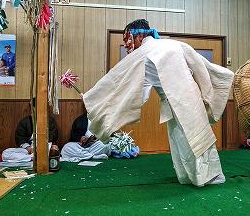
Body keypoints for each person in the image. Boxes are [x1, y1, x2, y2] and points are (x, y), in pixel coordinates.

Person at [84, 19, 234, 187]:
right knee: (191, 139)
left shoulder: (143, 54)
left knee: (186, 140)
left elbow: (115, 81)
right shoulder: (173, 44)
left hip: (182, 99)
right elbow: (201, 65)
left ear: (139, 36)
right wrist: (210, 87)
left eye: (127, 39)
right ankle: (201, 177)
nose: (126, 45)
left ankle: (201, 178)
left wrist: (91, 98)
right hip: (188, 99)